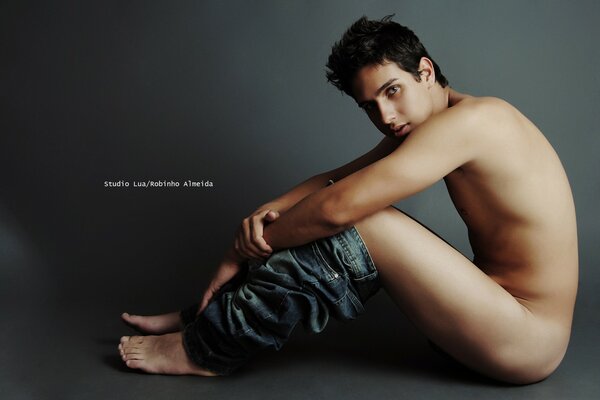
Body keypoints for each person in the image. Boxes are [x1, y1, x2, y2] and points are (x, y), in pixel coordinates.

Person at [118, 15, 578, 384]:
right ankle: (205, 314)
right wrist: (256, 219)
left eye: (392, 91)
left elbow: (338, 207)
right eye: (370, 106)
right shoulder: (432, 124)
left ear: (425, 71)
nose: (386, 116)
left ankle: (209, 348)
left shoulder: (476, 122)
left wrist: (246, 249)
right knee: (331, 208)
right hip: (487, 319)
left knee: (360, 217)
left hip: (525, 340)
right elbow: (333, 181)